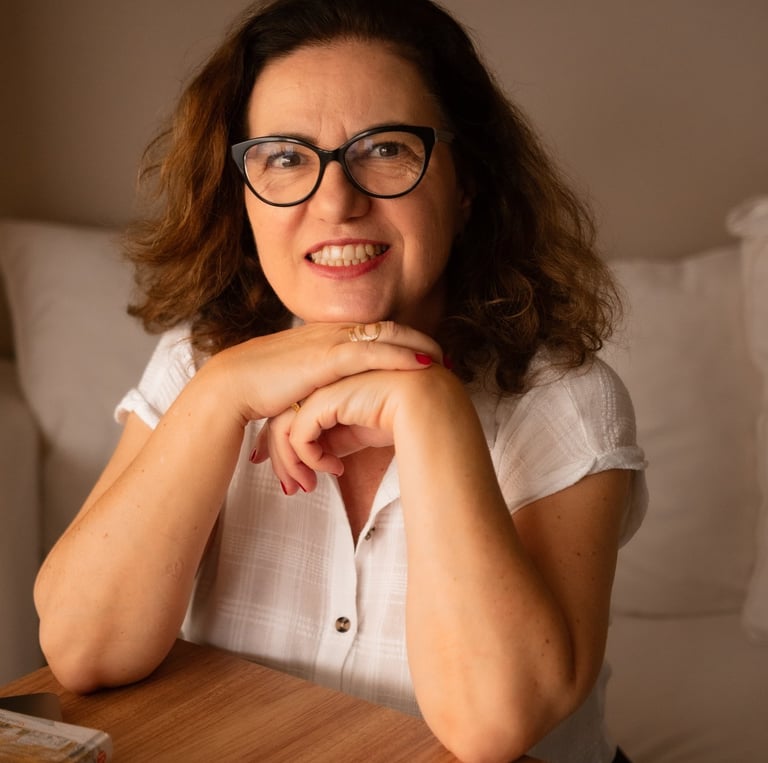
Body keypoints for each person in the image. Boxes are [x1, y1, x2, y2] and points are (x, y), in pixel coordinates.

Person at [33, 1, 646, 761]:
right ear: (243, 194)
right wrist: (221, 393)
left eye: (385, 149)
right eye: (285, 157)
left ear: (466, 186)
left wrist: (429, 405)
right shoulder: (199, 363)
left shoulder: (567, 403)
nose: (336, 201)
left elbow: (495, 726)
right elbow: (83, 650)